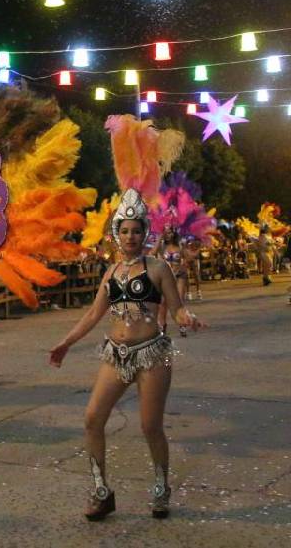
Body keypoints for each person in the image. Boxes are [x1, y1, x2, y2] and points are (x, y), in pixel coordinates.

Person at [49, 189, 203, 521]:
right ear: (116, 234)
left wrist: (186, 318)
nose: (130, 236)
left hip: (152, 353)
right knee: (92, 419)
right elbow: (92, 316)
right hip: (115, 354)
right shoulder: (111, 273)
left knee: (150, 426)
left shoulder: (159, 268)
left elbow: (175, 310)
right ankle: (101, 492)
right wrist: (66, 343)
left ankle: (161, 488)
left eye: (136, 231)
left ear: (144, 233)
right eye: (124, 230)